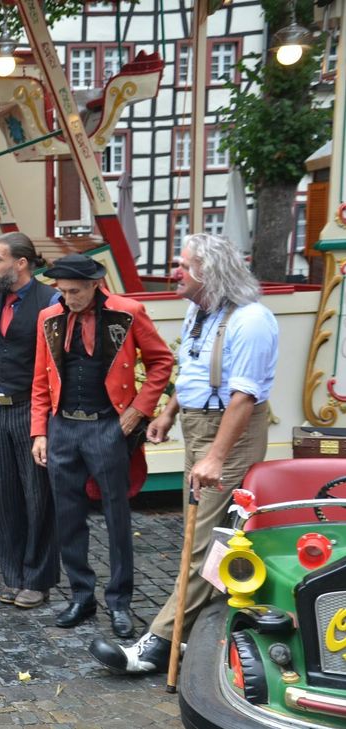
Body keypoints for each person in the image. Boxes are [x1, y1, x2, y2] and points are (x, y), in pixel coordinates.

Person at [90, 233, 278, 674]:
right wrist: (169, 412)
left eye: (184, 265)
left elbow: (243, 398)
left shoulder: (252, 321)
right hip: (199, 427)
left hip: (229, 434)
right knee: (208, 538)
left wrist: (215, 457)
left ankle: (158, 644)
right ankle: (206, 634)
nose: (175, 272)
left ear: (208, 274)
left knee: (206, 544)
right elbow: (192, 369)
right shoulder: (201, 311)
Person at [31, 254, 173, 638]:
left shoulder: (128, 312)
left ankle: (119, 601)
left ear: (95, 285)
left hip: (108, 428)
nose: (67, 298)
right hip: (62, 428)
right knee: (68, 517)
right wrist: (40, 432)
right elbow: (41, 380)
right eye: (62, 291)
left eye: (75, 291)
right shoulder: (49, 317)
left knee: (116, 517)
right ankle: (82, 596)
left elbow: (161, 362)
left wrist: (138, 411)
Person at [0, 233, 62, 609]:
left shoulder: (51, 300)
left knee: (37, 497)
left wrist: (46, 420)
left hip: (31, 408)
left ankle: (38, 579)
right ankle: (13, 576)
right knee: (3, 497)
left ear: (21, 263)